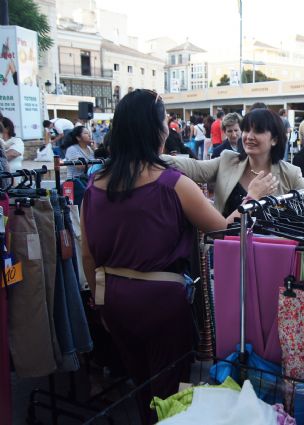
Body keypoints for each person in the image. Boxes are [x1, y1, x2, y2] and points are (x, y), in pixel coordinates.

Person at [80, 89, 266, 424]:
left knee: (141, 386)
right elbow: (222, 230)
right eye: (164, 122)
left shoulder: (94, 185)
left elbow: (88, 255)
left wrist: (100, 301)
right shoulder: (173, 184)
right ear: (155, 130)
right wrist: (250, 197)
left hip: (114, 300)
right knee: (171, 394)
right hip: (161, 303)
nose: (168, 128)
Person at [164, 108, 304, 217]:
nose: (249, 137)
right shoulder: (228, 160)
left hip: (271, 253)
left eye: (258, 131)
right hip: (225, 248)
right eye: (246, 130)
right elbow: (194, 168)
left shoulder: (291, 174)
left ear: (275, 139)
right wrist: (153, 158)